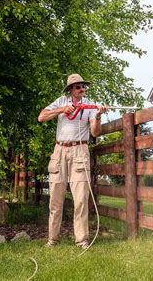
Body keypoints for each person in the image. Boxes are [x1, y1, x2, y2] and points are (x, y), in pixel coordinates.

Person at [38, 74, 107, 249]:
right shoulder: (61, 101)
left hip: (79, 151)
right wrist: (61, 110)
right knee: (55, 199)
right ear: (70, 89)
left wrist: (98, 116)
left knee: (81, 199)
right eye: (77, 86)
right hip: (59, 151)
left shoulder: (91, 106)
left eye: (83, 86)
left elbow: (95, 132)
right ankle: (52, 240)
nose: (81, 89)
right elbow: (41, 117)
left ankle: (82, 240)